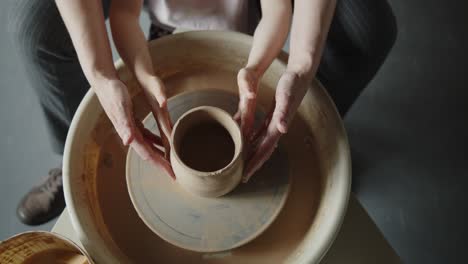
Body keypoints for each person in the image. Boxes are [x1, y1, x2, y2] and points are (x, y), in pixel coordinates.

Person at [11, 0, 396, 225]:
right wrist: (116, 76)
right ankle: (70, 164)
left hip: (254, 20)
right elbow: (126, 16)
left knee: (369, 30)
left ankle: (308, 139)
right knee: (36, 31)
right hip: (169, 19)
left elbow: (279, 11)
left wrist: (287, 68)